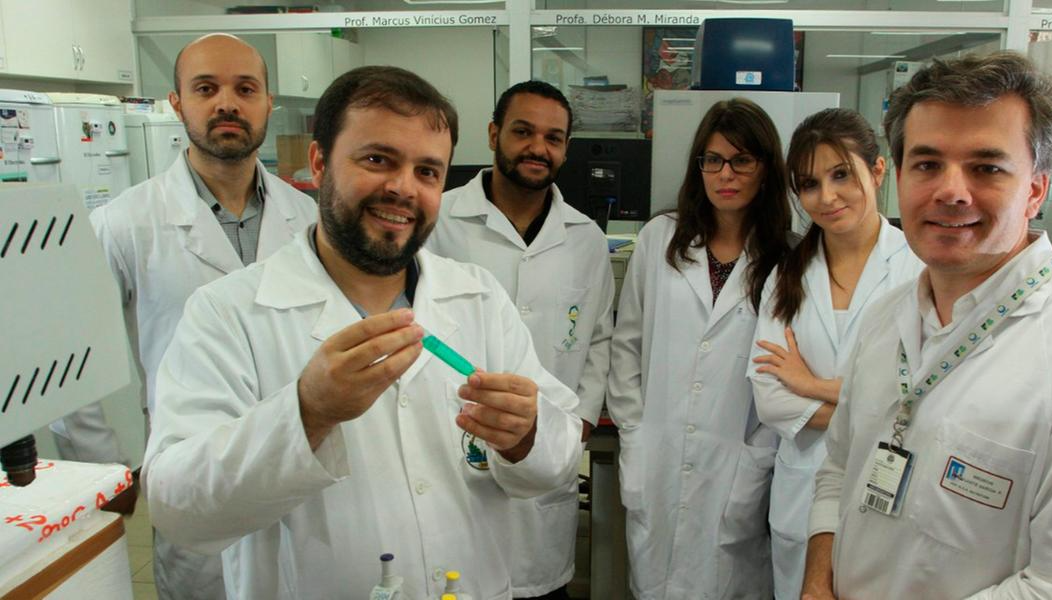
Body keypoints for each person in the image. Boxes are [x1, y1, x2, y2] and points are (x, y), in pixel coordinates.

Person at [142, 66, 584, 599]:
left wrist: (526, 435)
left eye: (427, 171)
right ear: (319, 163)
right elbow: (177, 509)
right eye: (378, 159)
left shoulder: (479, 298)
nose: (402, 188)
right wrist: (307, 412)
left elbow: (556, 456)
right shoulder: (229, 312)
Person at [802, 52, 1052, 600]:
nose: (951, 191)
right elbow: (838, 470)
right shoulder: (888, 319)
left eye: (987, 167)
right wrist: (816, 583)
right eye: (927, 164)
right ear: (897, 178)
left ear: (1037, 190)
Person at [54, 33, 317, 600]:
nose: (227, 102)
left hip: (301, 457)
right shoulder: (125, 223)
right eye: (206, 88)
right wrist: (110, 474)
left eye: (245, 88)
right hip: (196, 465)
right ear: (177, 103)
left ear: (268, 102)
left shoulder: (310, 218)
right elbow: (76, 366)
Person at [426, 80, 612, 600]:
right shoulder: (440, 221)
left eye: (554, 138)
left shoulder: (586, 239)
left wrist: (576, 423)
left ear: (566, 149)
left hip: (547, 457)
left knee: (538, 587)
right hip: (453, 453)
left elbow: (599, 338)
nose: (538, 148)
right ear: (493, 134)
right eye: (523, 131)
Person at [607, 98, 792, 598]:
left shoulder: (786, 257)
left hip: (738, 460)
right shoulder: (659, 238)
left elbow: (787, 374)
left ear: (765, 168)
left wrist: (760, 454)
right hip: (658, 450)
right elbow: (627, 346)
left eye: (741, 160)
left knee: (729, 580)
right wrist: (635, 431)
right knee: (654, 580)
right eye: (712, 160)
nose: (724, 174)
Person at [748, 108, 923, 600]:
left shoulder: (920, 269)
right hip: (802, 491)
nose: (826, 197)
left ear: (879, 170)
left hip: (889, 491)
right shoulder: (787, 274)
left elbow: (924, 398)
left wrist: (813, 385)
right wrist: (862, 406)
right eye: (809, 183)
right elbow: (770, 398)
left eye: (842, 174)